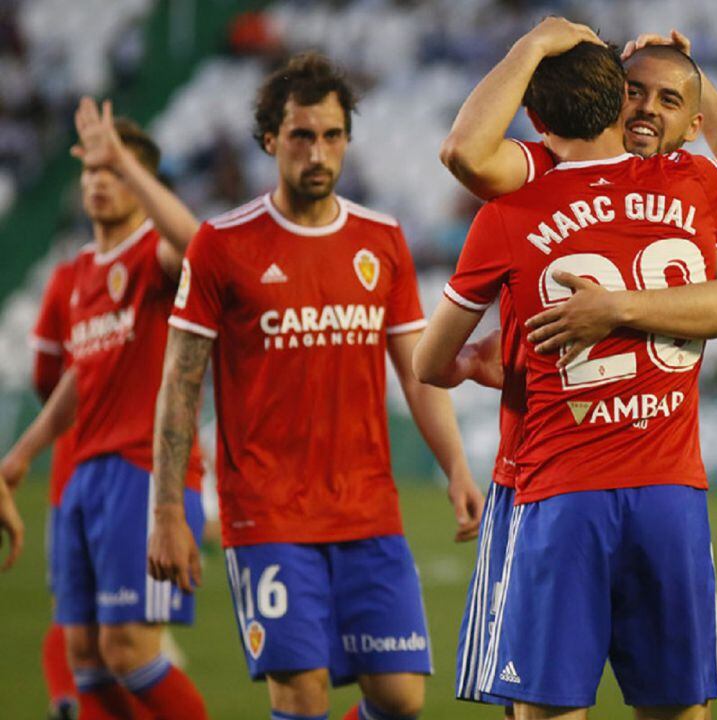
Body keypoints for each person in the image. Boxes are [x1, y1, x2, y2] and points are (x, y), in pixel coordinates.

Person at [415, 34, 717, 719]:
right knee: (678, 709)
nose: (647, 109)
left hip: (557, 489)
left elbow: (428, 362)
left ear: (538, 120)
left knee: (546, 708)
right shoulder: (697, 187)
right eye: (635, 92)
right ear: (618, 103)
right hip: (670, 493)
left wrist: (531, 42)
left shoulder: (518, 197)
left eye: (669, 99)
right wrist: (695, 84)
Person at [147, 52, 484, 720]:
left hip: (366, 507)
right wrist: (166, 513)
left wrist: (456, 466)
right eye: (302, 135)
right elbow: (180, 384)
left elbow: (416, 370)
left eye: (332, 135)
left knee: (399, 697)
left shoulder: (382, 240)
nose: (318, 151)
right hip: (267, 511)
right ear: (271, 140)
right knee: (300, 696)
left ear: (348, 141)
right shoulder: (221, 244)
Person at [0, 99, 209, 719]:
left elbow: (200, 246)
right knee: (87, 657)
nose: (96, 182)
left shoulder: (153, 256)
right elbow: (79, 377)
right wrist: (21, 455)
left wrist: (123, 158)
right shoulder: (82, 271)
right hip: (83, 474)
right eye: (90, 172)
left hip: (142, 471)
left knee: (129, 651)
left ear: (142, 185)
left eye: (112, 172)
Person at [29, 256, 80, 719]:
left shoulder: (67, 276)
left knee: (68, 606)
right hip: (136, 465)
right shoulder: (157, 264)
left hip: (71, 467)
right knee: (127, 631)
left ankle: (66, 697)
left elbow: (44, 375)